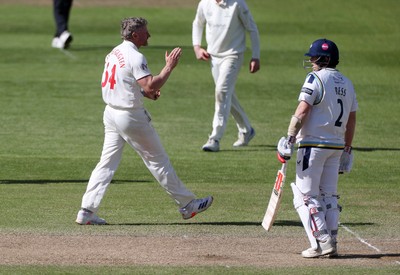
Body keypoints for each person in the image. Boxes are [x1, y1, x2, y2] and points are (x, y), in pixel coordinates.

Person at [76, 17, 213, 225]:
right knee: (158, 161)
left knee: (106, 163)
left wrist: (143, 93)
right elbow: (150, 85)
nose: (149, 35)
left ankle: (87, 211)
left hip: (111, 113)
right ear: (135, 35)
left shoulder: (114, 52)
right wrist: (169, 67)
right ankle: (187, 205)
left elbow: (126, 83)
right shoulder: (135, 56)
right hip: (130, 117)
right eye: (145, 32)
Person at [277, 38, 357, 258]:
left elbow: (302, 111)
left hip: (313, 145)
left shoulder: (315, 78)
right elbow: (351, 121)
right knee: (329, 196)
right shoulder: (348, 83)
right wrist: (348, 149)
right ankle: (331, 242)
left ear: (323, 59)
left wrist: (289, 138)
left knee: (305, 197)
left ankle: (322, 240)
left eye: (313, 57)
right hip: (336, 147)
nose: (311, 60)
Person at [192, 0, 260, 152]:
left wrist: (256, 56)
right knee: (225, 94)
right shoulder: (205, 3)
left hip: (233, 55)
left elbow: (252, 28)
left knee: (222, 92)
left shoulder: (238, 4)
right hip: (213, 56)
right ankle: (246, 130)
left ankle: (214, 138)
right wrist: (197, 47)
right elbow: (198, 23)